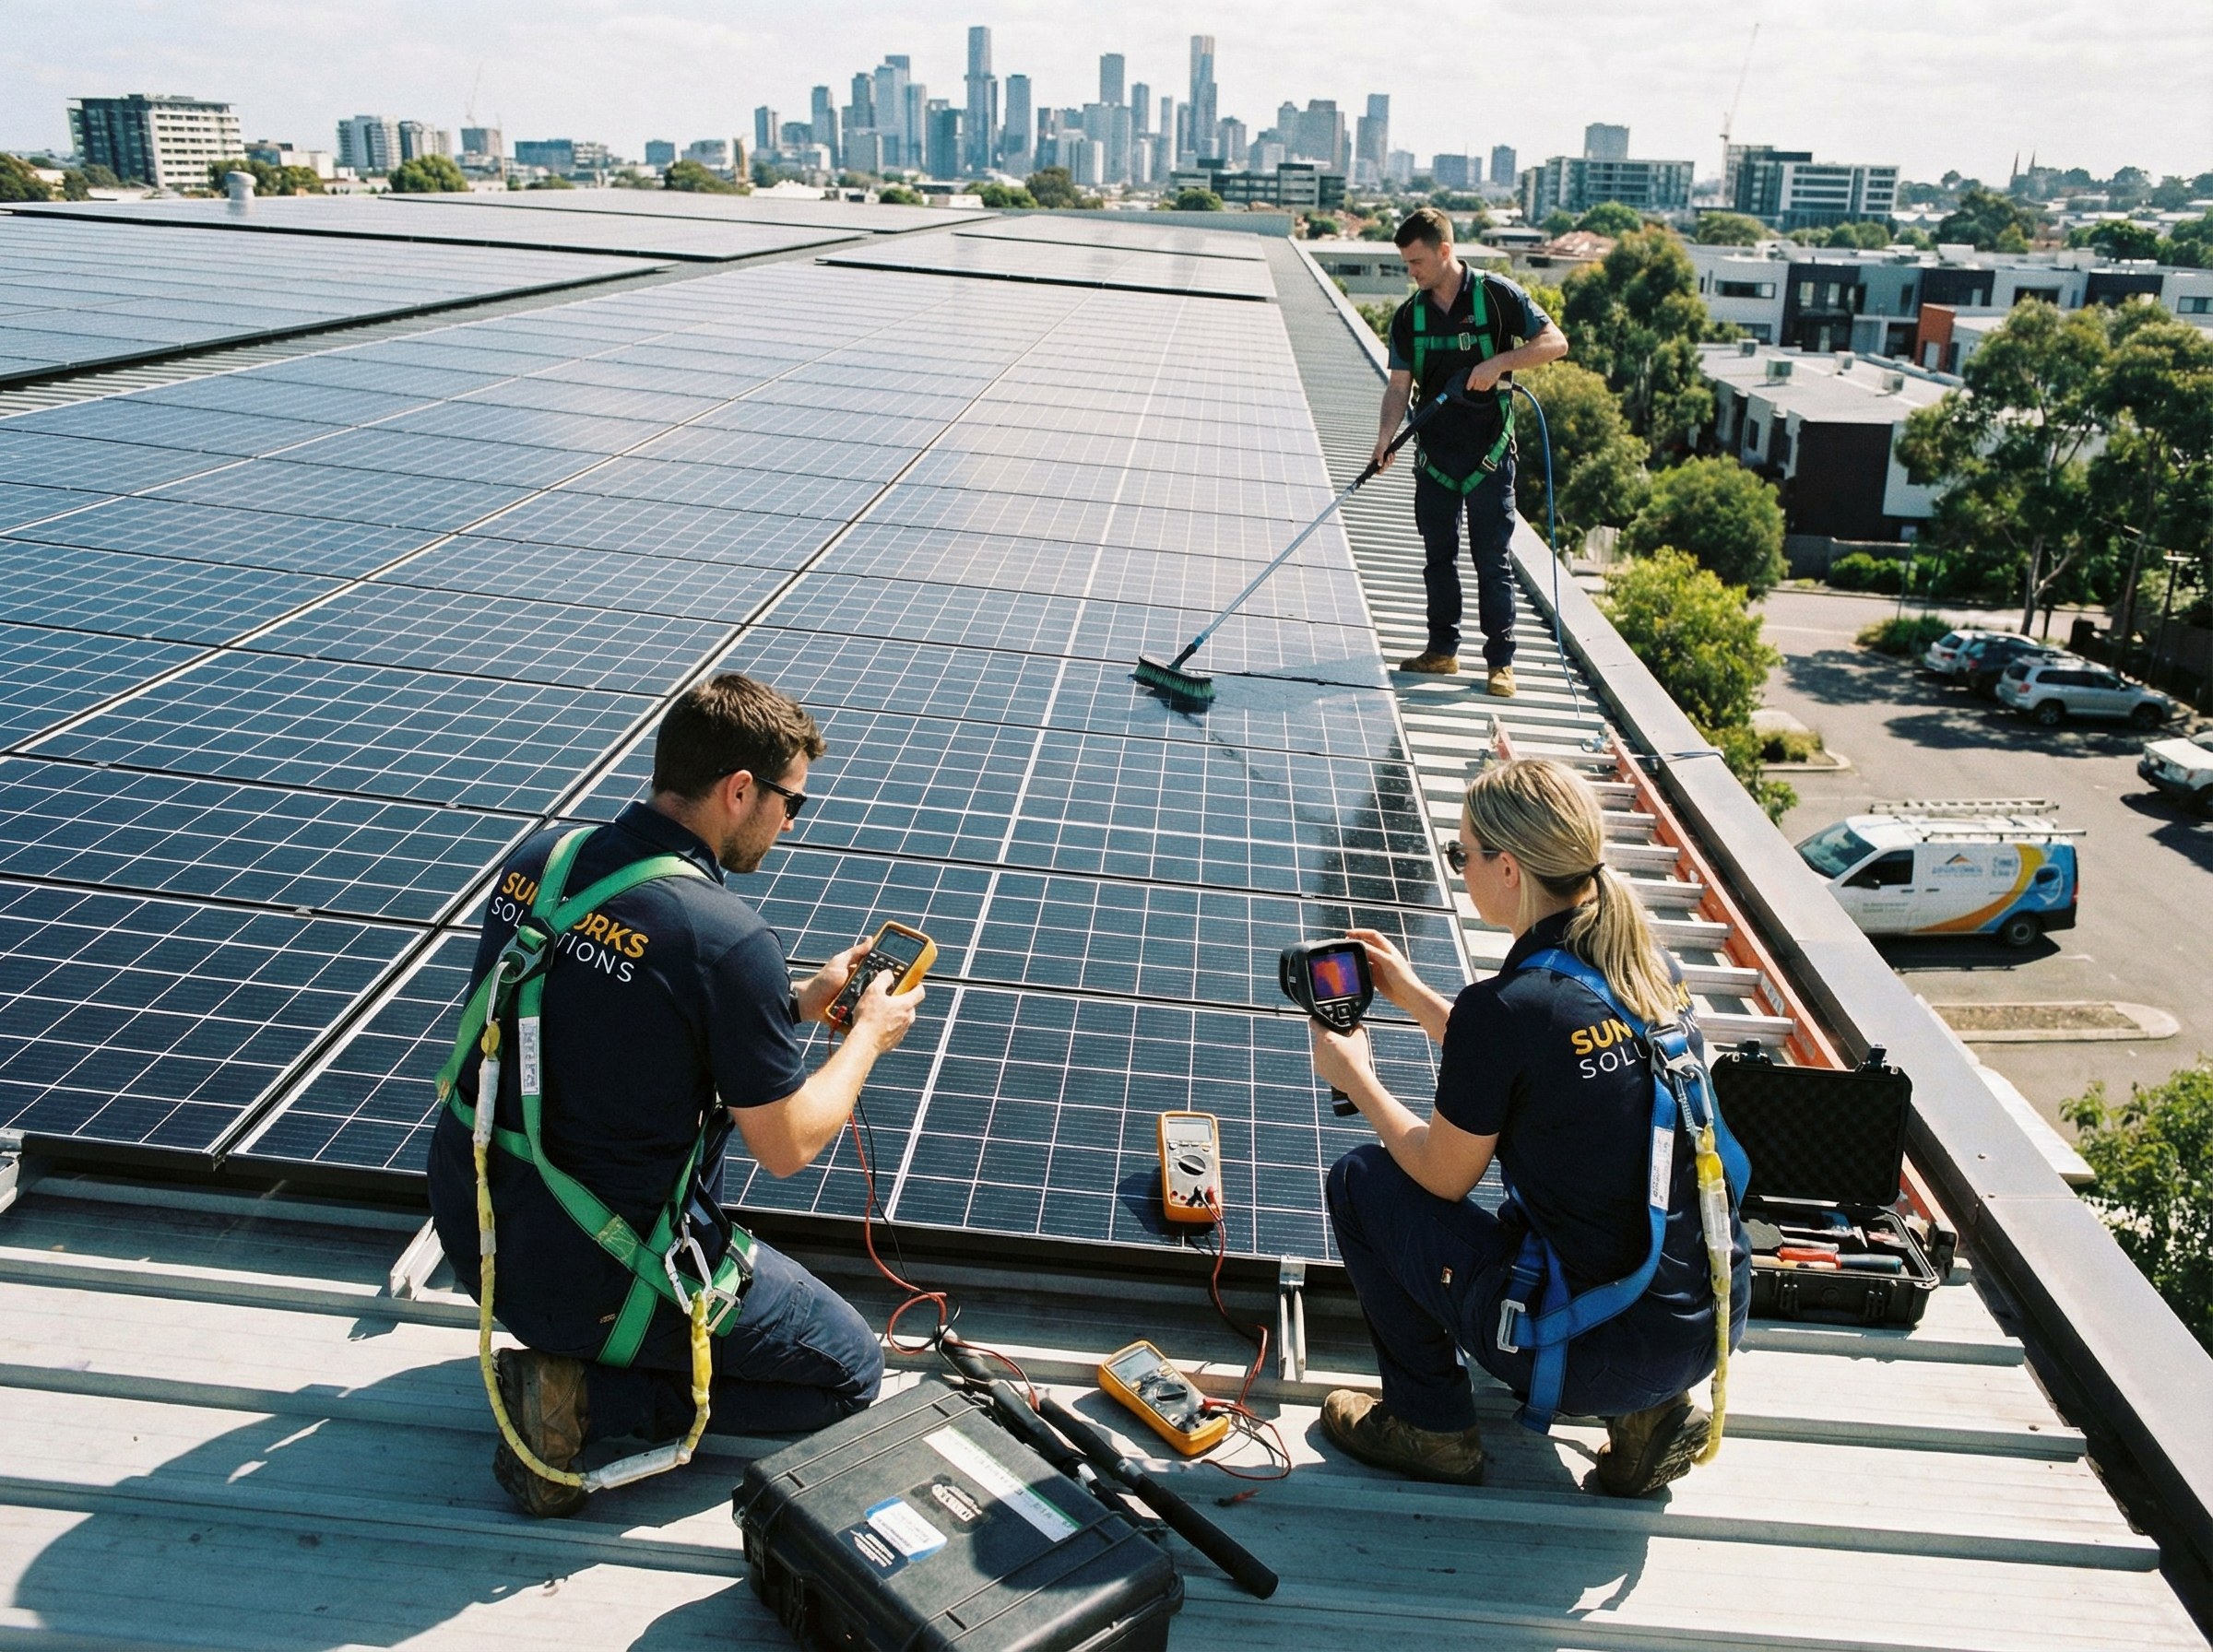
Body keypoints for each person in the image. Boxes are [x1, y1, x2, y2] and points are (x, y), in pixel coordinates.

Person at [427, 673, 922, 1517]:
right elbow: (788, 1147)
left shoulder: (542, 865)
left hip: (480, 1239)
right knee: (851, 1373)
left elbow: (629, 1014)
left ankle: (586, 1359)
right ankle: (585, 1403)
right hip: (596, 1281)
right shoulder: (725, 938)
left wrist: (801, 1001)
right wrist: (868, 1037)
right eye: (790, 804)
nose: (790, 824)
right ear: (740, 791)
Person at [1307, 757, 1748, 1496]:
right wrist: (1413, 994)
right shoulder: (1642, 965)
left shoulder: (1510, 1008)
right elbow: (1539, 1065)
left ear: (1507, 868)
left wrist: (1358, 1077)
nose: (1458, 868)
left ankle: (1430, 1426)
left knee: (1362, 1180)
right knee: (1579, 1200)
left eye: (1461, 854)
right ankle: (1647, 1416)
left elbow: (1442, 1174)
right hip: (1702, 1327)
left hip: (1595, 1351)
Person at [1372, 207, 1569, 698]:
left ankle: (1500, 663)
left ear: (1444, 251)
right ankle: (1442, 651)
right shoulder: (1409, 317)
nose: (1411, 273)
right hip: (1435, 457)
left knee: (1490, 559)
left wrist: (1499, 362)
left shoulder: (1497, 298)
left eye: (1416, 262)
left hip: (1489, 455)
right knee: (1437, 556)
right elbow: (1399, 387)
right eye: (1405, 264)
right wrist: (1384, 439)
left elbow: (1555, 342)